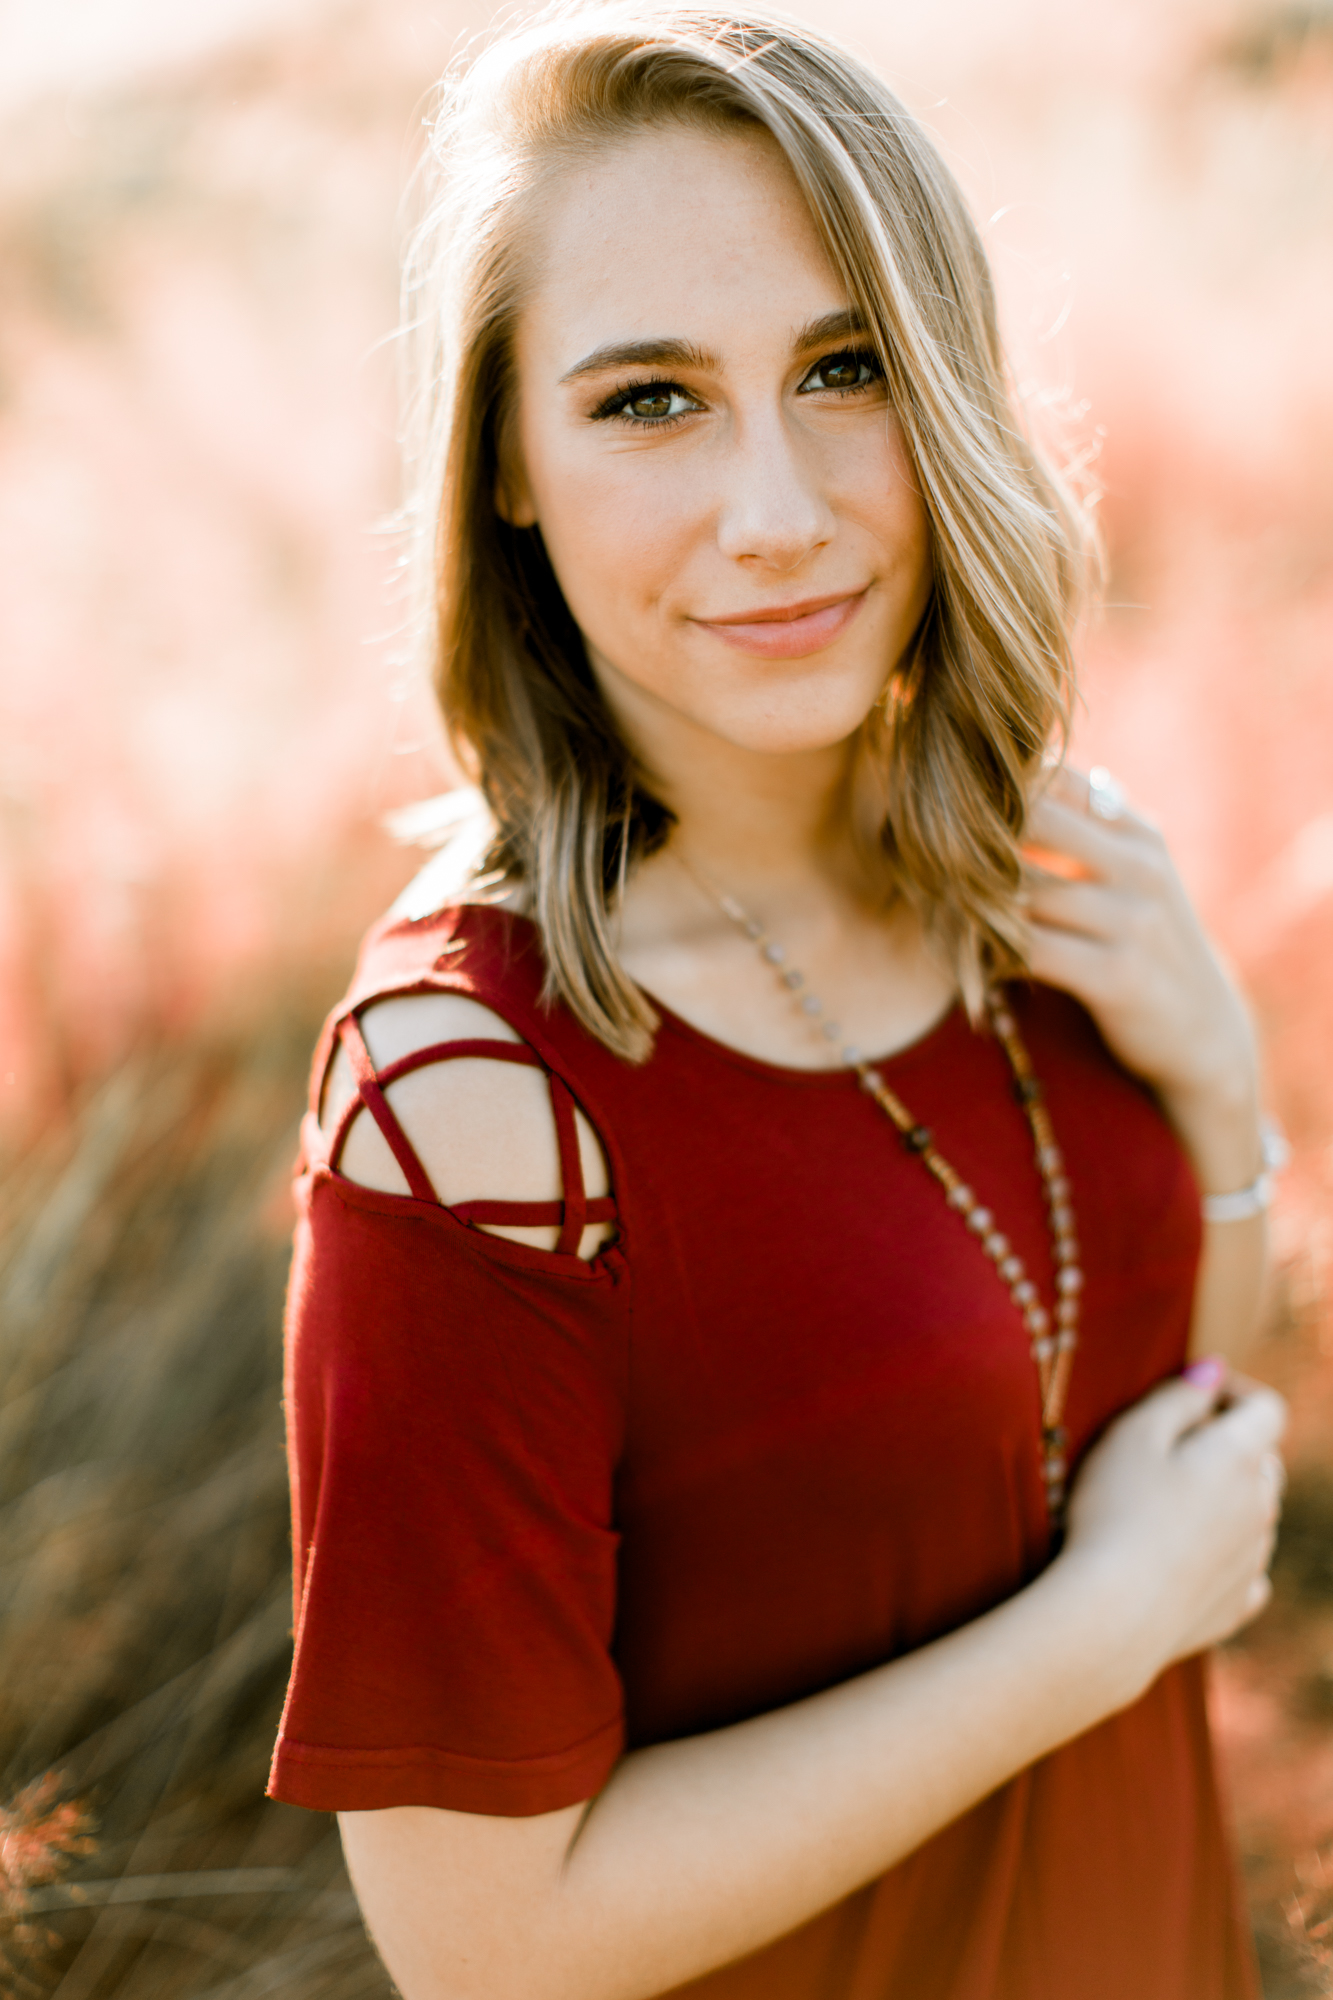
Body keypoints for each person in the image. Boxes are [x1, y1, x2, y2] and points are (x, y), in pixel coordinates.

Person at [267, 7, 1287, 1995]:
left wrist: (1223, 1104)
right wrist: (1100, 1633)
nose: (778, 509)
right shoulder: (463, 1095)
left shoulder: (1055, 885)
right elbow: (487, 1943)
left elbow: (1162, 1433)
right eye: (648, 401)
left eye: (844, 370)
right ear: (506, 478)